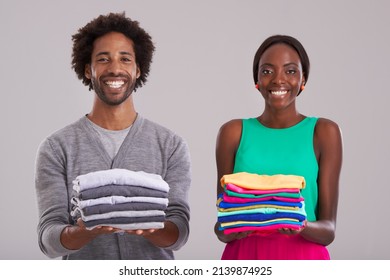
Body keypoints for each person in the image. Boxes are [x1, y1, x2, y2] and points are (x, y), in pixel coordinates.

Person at [34, 12, 191, 260]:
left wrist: (150, 228)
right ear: (88, 69)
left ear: (138, 69)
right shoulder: (57, 147)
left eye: (125, 59)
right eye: (104, 59)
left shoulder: (170, 145)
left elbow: (180, 231)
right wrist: (84, 231)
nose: (115, 68)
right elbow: (48, 239)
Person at [214, 35, 343, 259]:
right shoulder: (232, 133)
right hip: (245, 257)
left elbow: (329, 230)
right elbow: (222, 225)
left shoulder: (324, 132)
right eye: (267, 71)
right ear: (257, 81)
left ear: (304, 79)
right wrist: (236, 228)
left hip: (304, 259)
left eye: (290, 71)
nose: (278, 79)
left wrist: (300, 225)